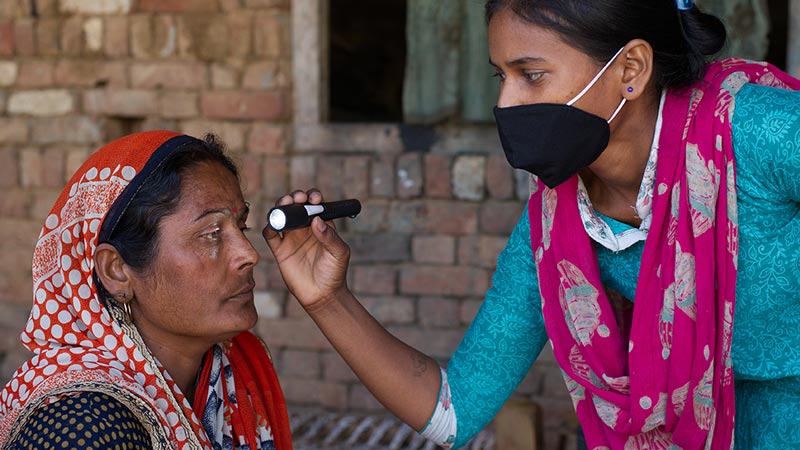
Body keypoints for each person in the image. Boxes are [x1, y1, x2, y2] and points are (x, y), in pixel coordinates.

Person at [263, 0, 800, 449]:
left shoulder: (754, 133)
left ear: (630, 70)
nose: (506, 102)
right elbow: (454, 411)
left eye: (531, 75)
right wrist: (327, 300)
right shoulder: (556, 228)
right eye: (501, 76)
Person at [0, 131, 293, 449]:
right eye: (211, 233)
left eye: (242, 227)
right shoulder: (85, 423)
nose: (249, 254)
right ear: (117, 271)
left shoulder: (224, 376)